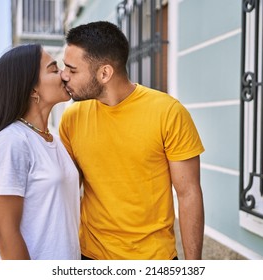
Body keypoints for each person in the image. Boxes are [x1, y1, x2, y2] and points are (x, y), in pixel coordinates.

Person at [59, 21, 205, 260]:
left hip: (153, 258)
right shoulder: (72, 119)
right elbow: (66, 191)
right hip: (90, 255)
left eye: (73, 70)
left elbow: (188, 193)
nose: (64, 76)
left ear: (105, 73)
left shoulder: (168, 113)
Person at [0, 44, 80, 260]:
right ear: (33, 89)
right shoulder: (11, 143)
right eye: (53, 69)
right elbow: (5, 234)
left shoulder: (53, 140)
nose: (64, 74)